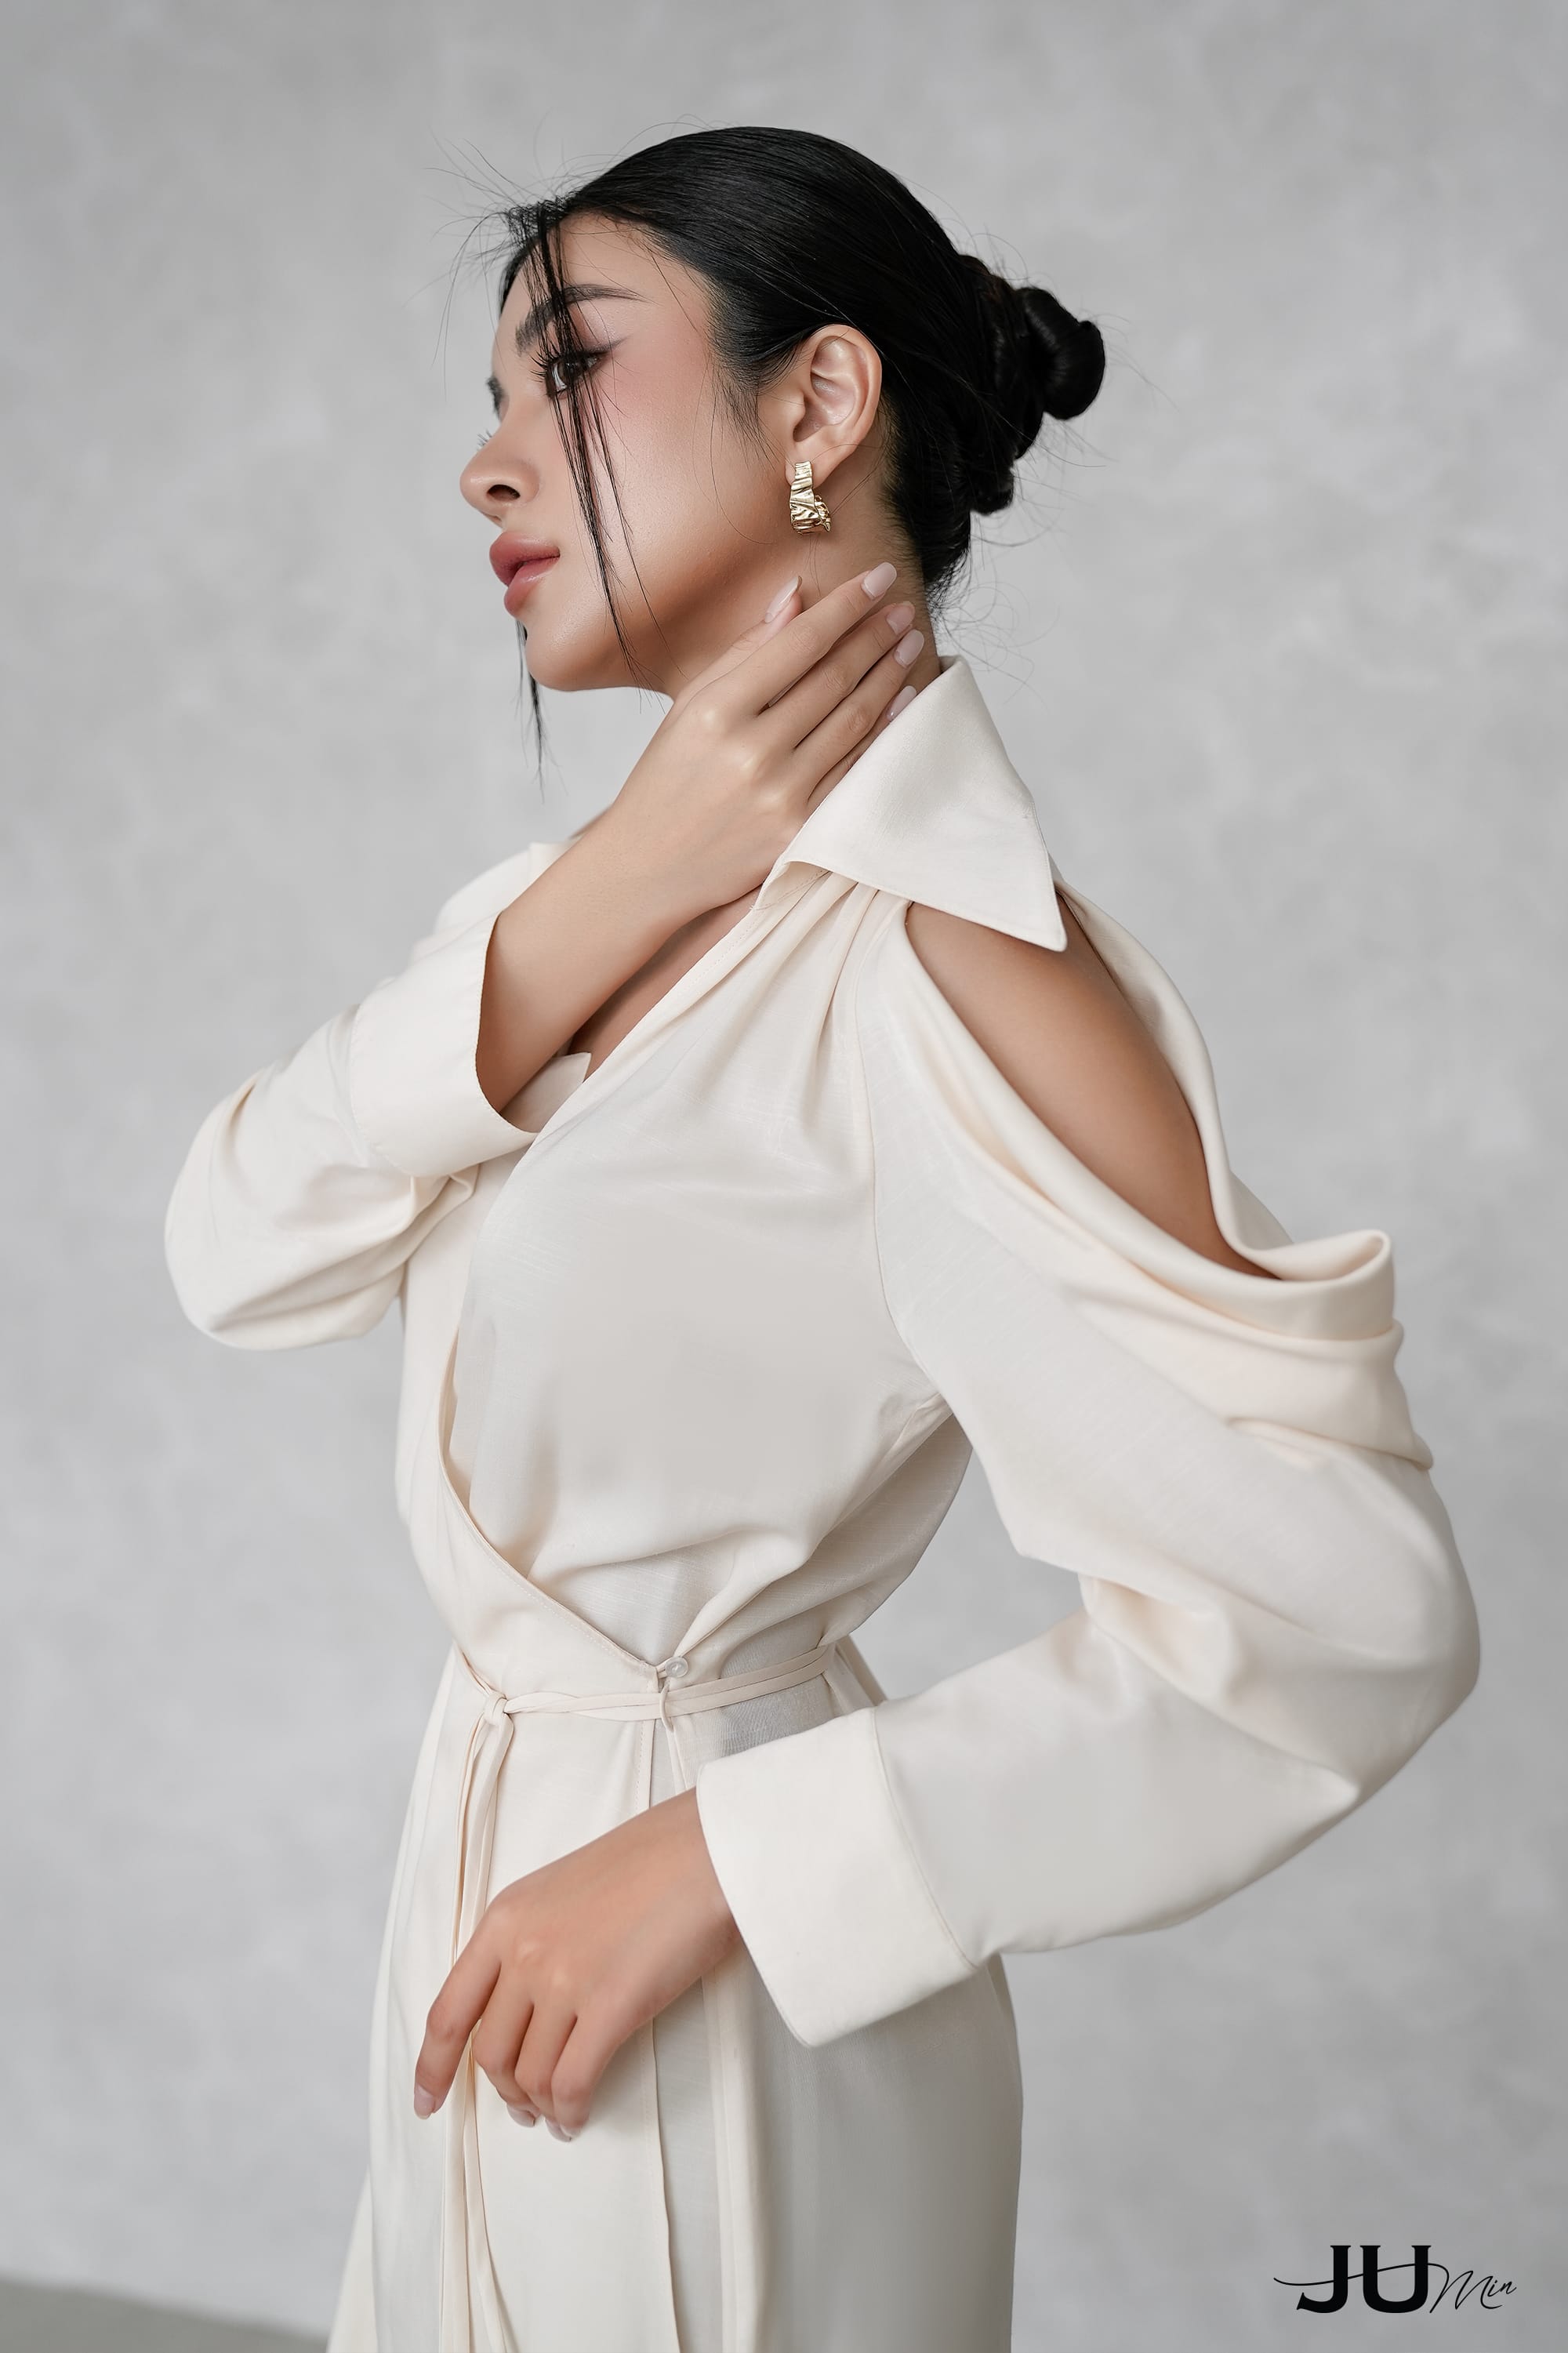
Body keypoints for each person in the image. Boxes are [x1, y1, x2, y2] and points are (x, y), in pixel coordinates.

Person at [162, 125, 1480, 2353]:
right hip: (483, 1932)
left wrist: (727, 1859)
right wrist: (621, 881)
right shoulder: (566, 924)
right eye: (490, 401)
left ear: (822, 401)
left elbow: (1347, 1617)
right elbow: (234, 1252)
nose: (488, 465)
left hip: (721, 2010)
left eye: (569, 370)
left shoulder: (953, 965)